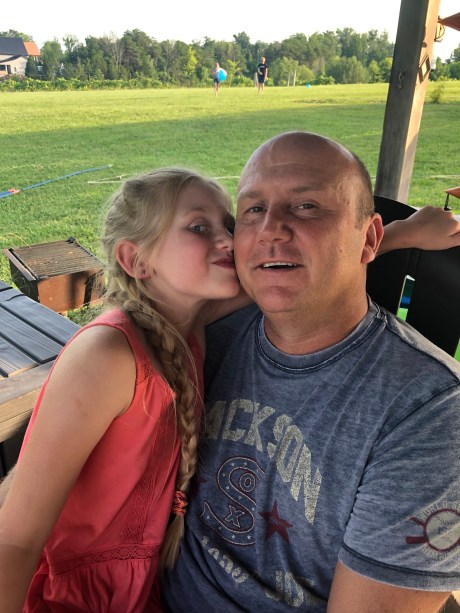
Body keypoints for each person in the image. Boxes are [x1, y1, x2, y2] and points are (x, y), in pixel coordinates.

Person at [161, 132, 460, 612]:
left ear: (368, 239)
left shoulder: (431, 416)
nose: (270, 230)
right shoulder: (208, 332)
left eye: (306, 206)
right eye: (253, 209)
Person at [0, 167, 251, 612]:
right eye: (199, 227)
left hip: (138, 589)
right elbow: (14, 541)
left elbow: (277, 277)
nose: (229, 241)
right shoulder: (108, 355)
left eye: (228, 225)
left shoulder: (187, 324)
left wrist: (376, 237)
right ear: (137, 261)